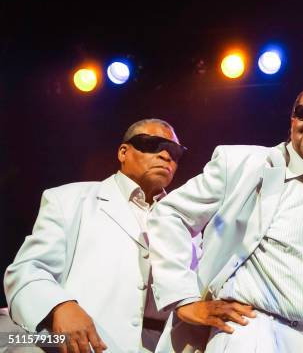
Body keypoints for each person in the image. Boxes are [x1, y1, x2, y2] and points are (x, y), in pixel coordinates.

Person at [146, 81, 303, 353]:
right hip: (252, 332)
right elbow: (169, 213)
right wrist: (183, 297)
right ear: (293, 121)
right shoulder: (244, 163)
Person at [3, 119, 205, 353]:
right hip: (86, 346)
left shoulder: (188, 226)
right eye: (153, 144)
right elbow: (26, 270)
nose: (165, 156)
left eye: (175, 152)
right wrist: (59, 306)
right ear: (123, 152)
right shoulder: (69, 200)